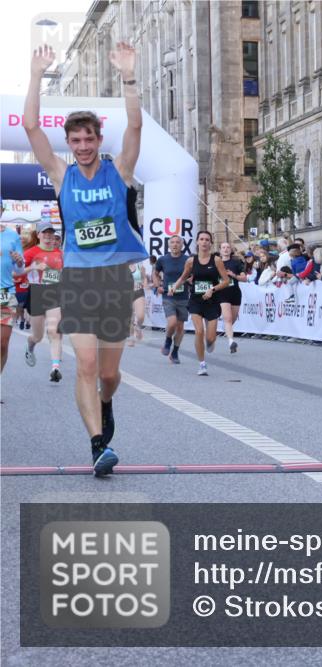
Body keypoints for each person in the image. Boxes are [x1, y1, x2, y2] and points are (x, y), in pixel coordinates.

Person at [24, 42, 147, 476]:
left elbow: (134, 126)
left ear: (97, 139)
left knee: (109, 376)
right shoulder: (62, 175)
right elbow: (31, 127)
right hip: (77, 279)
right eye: (74, 140)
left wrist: (129, 77)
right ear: (69, 143)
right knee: (87, 366)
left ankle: (107, 402)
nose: (81, 146)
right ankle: (98, 446)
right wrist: (37, 74)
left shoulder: (120, 171)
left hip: (114, 279)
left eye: (88, 139)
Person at [170, 231, 229, 376]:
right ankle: (202, 364)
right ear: (197, 242)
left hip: (212, 301)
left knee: (210, 338)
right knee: (199, 331)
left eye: (207, 240)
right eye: (201, 239)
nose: (204, 242)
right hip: (196, 300)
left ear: (210, 243)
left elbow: (227, 281)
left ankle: (210, 342)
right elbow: (183, 277)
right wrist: (174, 288)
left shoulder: (216, 260)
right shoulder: (191, 261)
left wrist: (213, 289)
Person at [23, 221, 64, 381]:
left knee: (54, 331)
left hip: (54, 293)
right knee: (37, 336)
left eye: (50, 233)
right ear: (38, 235)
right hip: (37, 292)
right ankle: (30, 345)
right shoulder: (30, 252)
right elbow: (15, 272)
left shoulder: (60, 253)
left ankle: (55, 368)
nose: (48, 236)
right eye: (44, 233)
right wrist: (33, 268)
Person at [153, 235, 190, 364]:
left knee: (180, 327)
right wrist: (158, 286)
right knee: (172, 322)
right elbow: (155, 273)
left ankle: (175, 352)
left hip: (184, 297)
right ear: (169, 245)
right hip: (168, 296)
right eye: (172, 242)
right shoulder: (163, 259)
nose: (175, 245)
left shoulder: (187, 259)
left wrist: (191, 280)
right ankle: (168, 340)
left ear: (182, 244)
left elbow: (193, 275)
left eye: (177, 242)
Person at [1, 203, 27, 375]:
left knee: (3, 343)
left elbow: (19, 270)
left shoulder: (12, 236)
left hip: (5, 293)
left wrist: (19, 261)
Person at [217, 241, 246, 353]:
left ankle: (227, 329)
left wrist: (234, 275)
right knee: (228, 318)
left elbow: (244, 278)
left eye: (228, 247)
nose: (226, 249)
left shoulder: (237, 262)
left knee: (232, 319)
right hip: (222, 293)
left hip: (235, 293)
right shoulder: (216, 262)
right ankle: (231, 341)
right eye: (223, 247)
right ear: (220, 250)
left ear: (231, 250)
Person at [126, 260, 147, 347]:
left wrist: (144, 285)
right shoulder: (121, 266)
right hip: (126, 294)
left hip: (138, 292)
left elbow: (144, 278)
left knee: (141, 316)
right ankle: (131, 338)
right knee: (130, 318)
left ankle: (138, 327)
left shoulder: (139, 266)